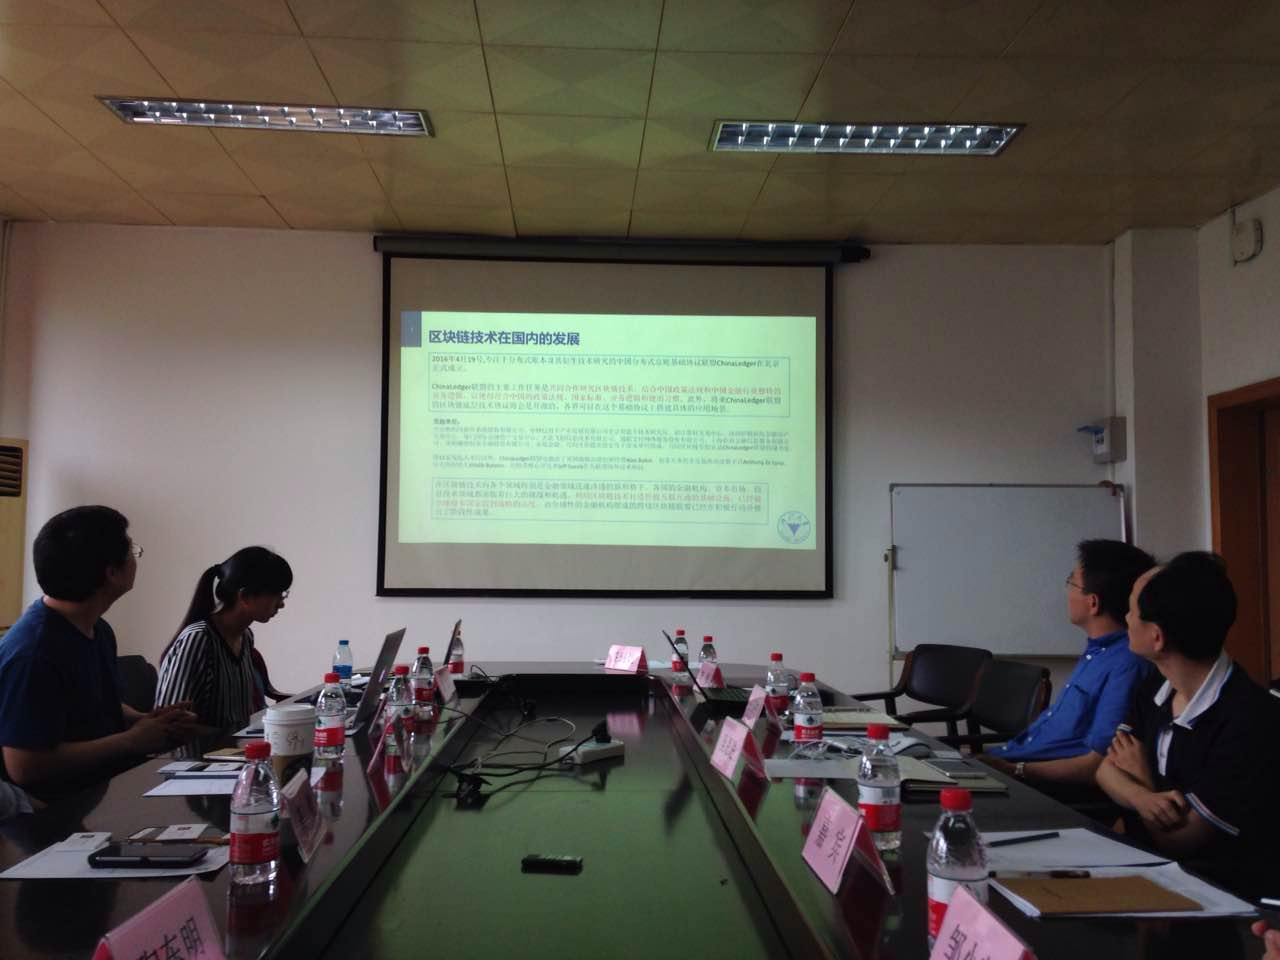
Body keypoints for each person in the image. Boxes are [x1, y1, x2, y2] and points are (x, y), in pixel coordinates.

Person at [1096, 552, 1280, 899]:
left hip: (1222, 894)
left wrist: (1140, 779)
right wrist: (1144, 798)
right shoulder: (1156, 685)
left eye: (1132, 610)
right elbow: (1106, 770)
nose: (1125, 617)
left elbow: (1180, 841)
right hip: (1151, 870)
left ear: (1157, 637)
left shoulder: (1251, 719)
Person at [0, 506, 198, 797]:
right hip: (51, 812)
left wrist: (144, 721)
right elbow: (25, 766)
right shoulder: (33, 654)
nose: (135, 558)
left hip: (100, 794)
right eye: (131, 550)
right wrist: (131, 741)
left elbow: (94, 703)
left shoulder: (97, 629)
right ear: (112, 573)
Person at [978, 539, 1155, 793]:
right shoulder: (1098, 651)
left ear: (1093, 603)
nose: (1066, 591)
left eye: (1071, 582)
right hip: (1010, 761)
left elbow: (1097, 764)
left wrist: (1014, 770)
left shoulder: (1128, 665)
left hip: (1035, 785)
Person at [154, 546, 292, 729]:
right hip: (205, 748)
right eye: (276, 595)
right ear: (245, 596)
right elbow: (171, 725)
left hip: (235, 745)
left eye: (283, 595)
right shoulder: (198, 639)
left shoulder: (246, 637)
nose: (281, 604)